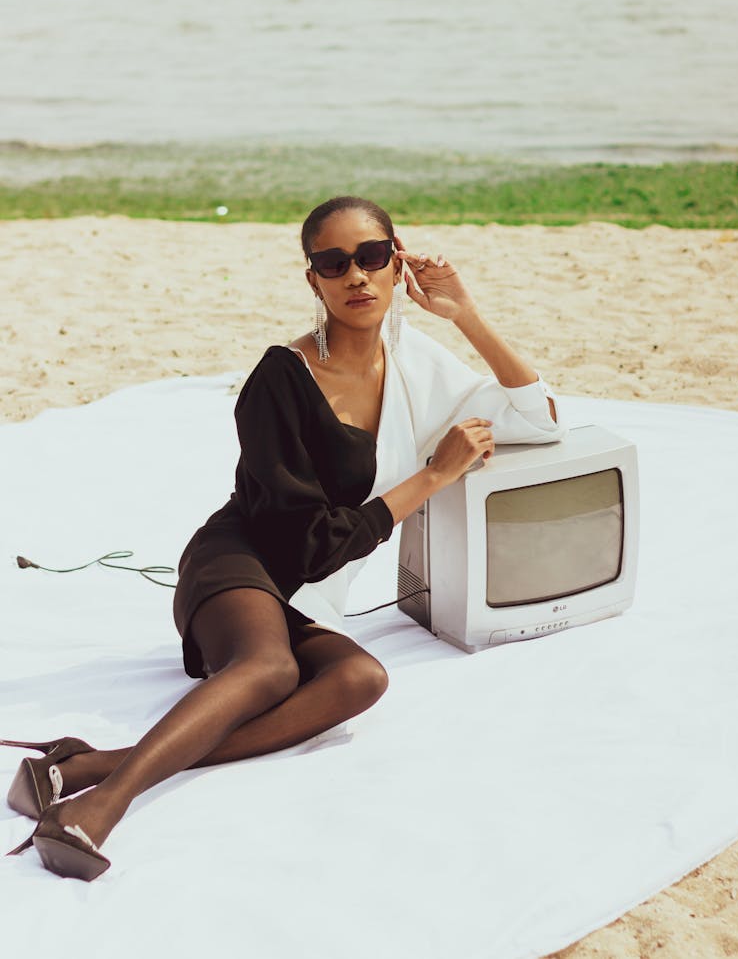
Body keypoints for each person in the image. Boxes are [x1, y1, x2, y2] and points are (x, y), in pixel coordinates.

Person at [2, 196, 565, 880]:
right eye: (334, 263)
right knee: (270, 669)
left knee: (361, 677)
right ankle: (99, 805)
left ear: (398, 262)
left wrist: (464, 313)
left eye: (371, 256)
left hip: (306, 594)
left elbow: (539, 418)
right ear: (314, 281)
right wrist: (431, 477)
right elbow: (310, 542)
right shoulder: (280, 378)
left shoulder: (415, 359)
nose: (355, 276)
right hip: (238, 565)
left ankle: (83, 765)